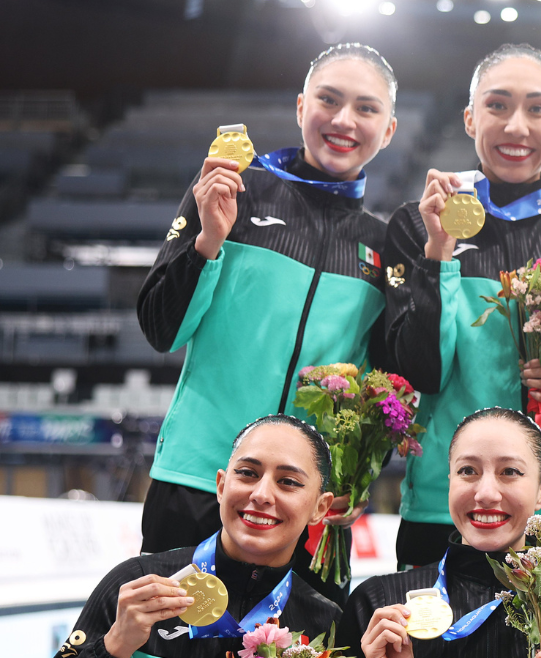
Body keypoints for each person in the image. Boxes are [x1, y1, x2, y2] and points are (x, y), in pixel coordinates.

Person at [137, 43, 400, 604]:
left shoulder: (383, 245)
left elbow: (384, 391)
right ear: (301, 105)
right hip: (198, 479)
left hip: (305, 503)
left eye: (366, 108)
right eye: (329, 100)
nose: (344, 120)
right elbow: (161, 328)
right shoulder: (232, 189)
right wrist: (209, 239)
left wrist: (354, 477)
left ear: (390, 128)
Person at [381, 44, 541, 569]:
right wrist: (438, 255)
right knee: (434, 651)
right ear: (471, 118)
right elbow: (419, 373)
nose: (516, 126)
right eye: (497, 106)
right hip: (445, 503)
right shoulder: (417, 222)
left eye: (537, 109)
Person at [22, 415, 340, 658]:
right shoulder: (137, 587)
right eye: (247, 473)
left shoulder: (323, 622)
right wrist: (113, 646)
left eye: (288, 481)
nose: (261, 494)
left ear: (320, 507)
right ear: (221, 486)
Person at [320, 408, 541, 658]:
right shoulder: (380, 604)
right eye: (468, 471)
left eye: (510, 472)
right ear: (450, 482)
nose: (486, 492)